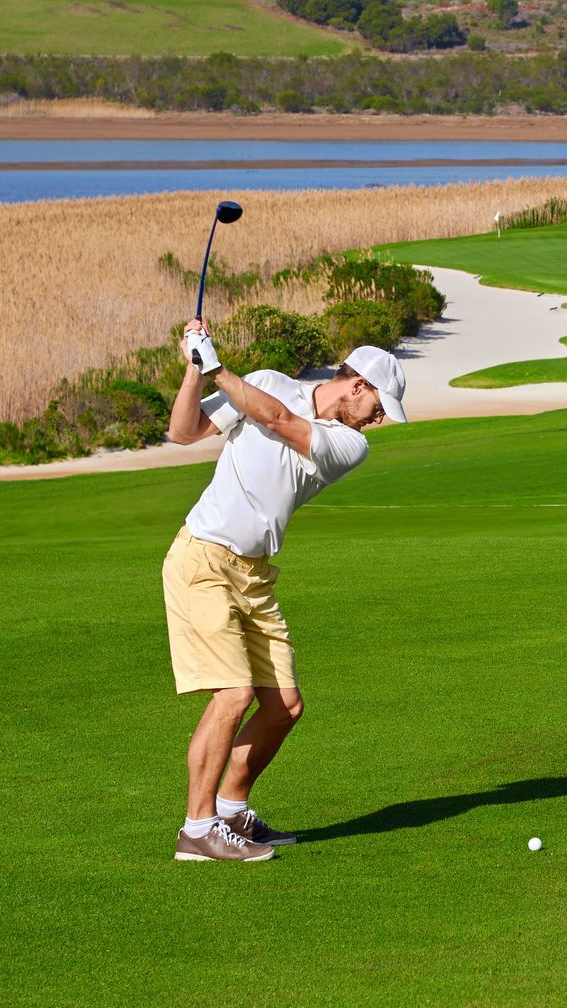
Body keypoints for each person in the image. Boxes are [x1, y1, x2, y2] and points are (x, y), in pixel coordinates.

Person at [159, 321, 407, 862]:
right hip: (203, 558)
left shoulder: (350, 444)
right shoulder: (269, 381)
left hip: (254, 575)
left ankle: (231, 810)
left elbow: (279, 420)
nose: (380, 418)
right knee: (234, 695)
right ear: (358, 385)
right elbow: (184, 432)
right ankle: (197, 829)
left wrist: (218, 368)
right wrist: (195, 368)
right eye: (379, 405)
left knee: (285, 706)